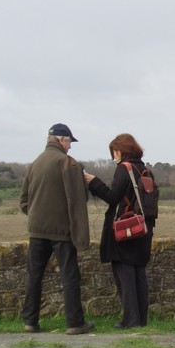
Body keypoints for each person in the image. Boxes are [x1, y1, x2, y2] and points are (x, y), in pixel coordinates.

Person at [19, 123, 94, 335]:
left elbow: (23, 202)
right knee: (70, 276)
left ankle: (30, 322)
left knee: (34, 275)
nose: (70, 147)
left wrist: (36, 215)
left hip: (36, 230)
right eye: (69, 142)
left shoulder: (34, 164)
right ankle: (74, 323)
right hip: (62, 230)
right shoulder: (67, 163)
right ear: (62, 140)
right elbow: (79, 198)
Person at [84, 133, 157, 329]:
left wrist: (94, 182)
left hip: (125, 230)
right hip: (143, 229)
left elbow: (112, 197)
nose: (113, 156)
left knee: (125, 277)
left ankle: (130, 320)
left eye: (114, 152)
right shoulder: (145, 170)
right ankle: (141, 320)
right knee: (139, 275)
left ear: (121, 151)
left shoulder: (123, 169)